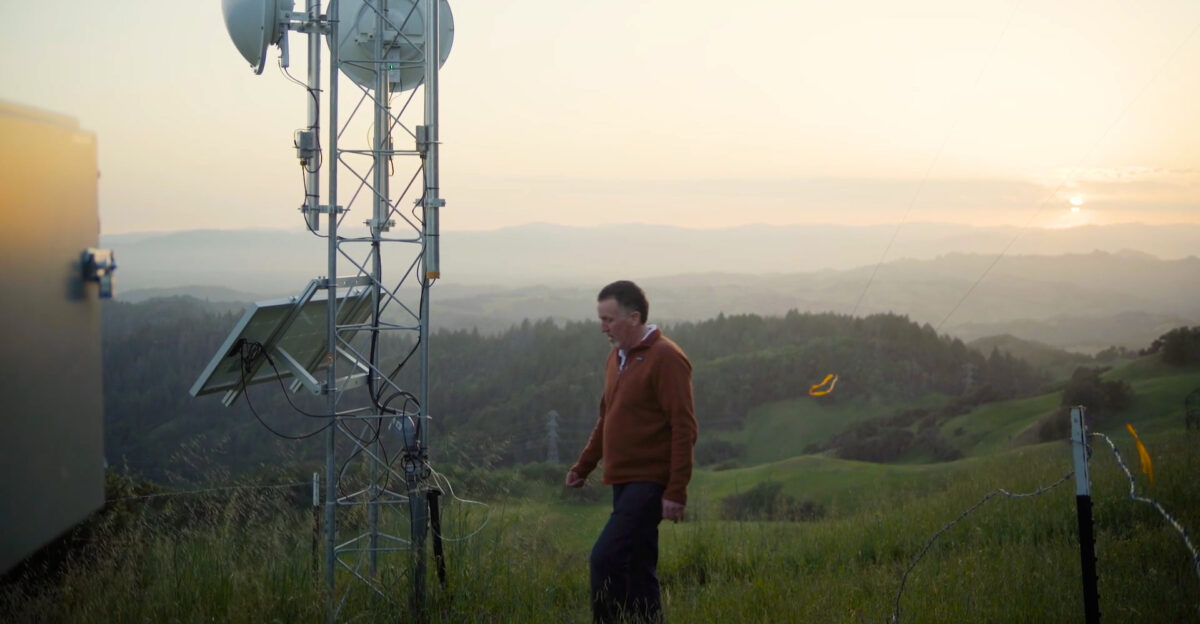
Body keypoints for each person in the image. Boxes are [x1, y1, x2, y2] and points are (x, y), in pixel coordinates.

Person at [565, 280, 699, 624]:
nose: (603, 328)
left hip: (649, 481)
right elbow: (607, 418)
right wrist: (583, 466)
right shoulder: (616, 358)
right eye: (601, 320)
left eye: (609, 320)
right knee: (638, 568)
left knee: (605, 559)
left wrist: (676, 490)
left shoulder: (667, 357)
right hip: (622, 480)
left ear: (634, 317)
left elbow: (684, 428)